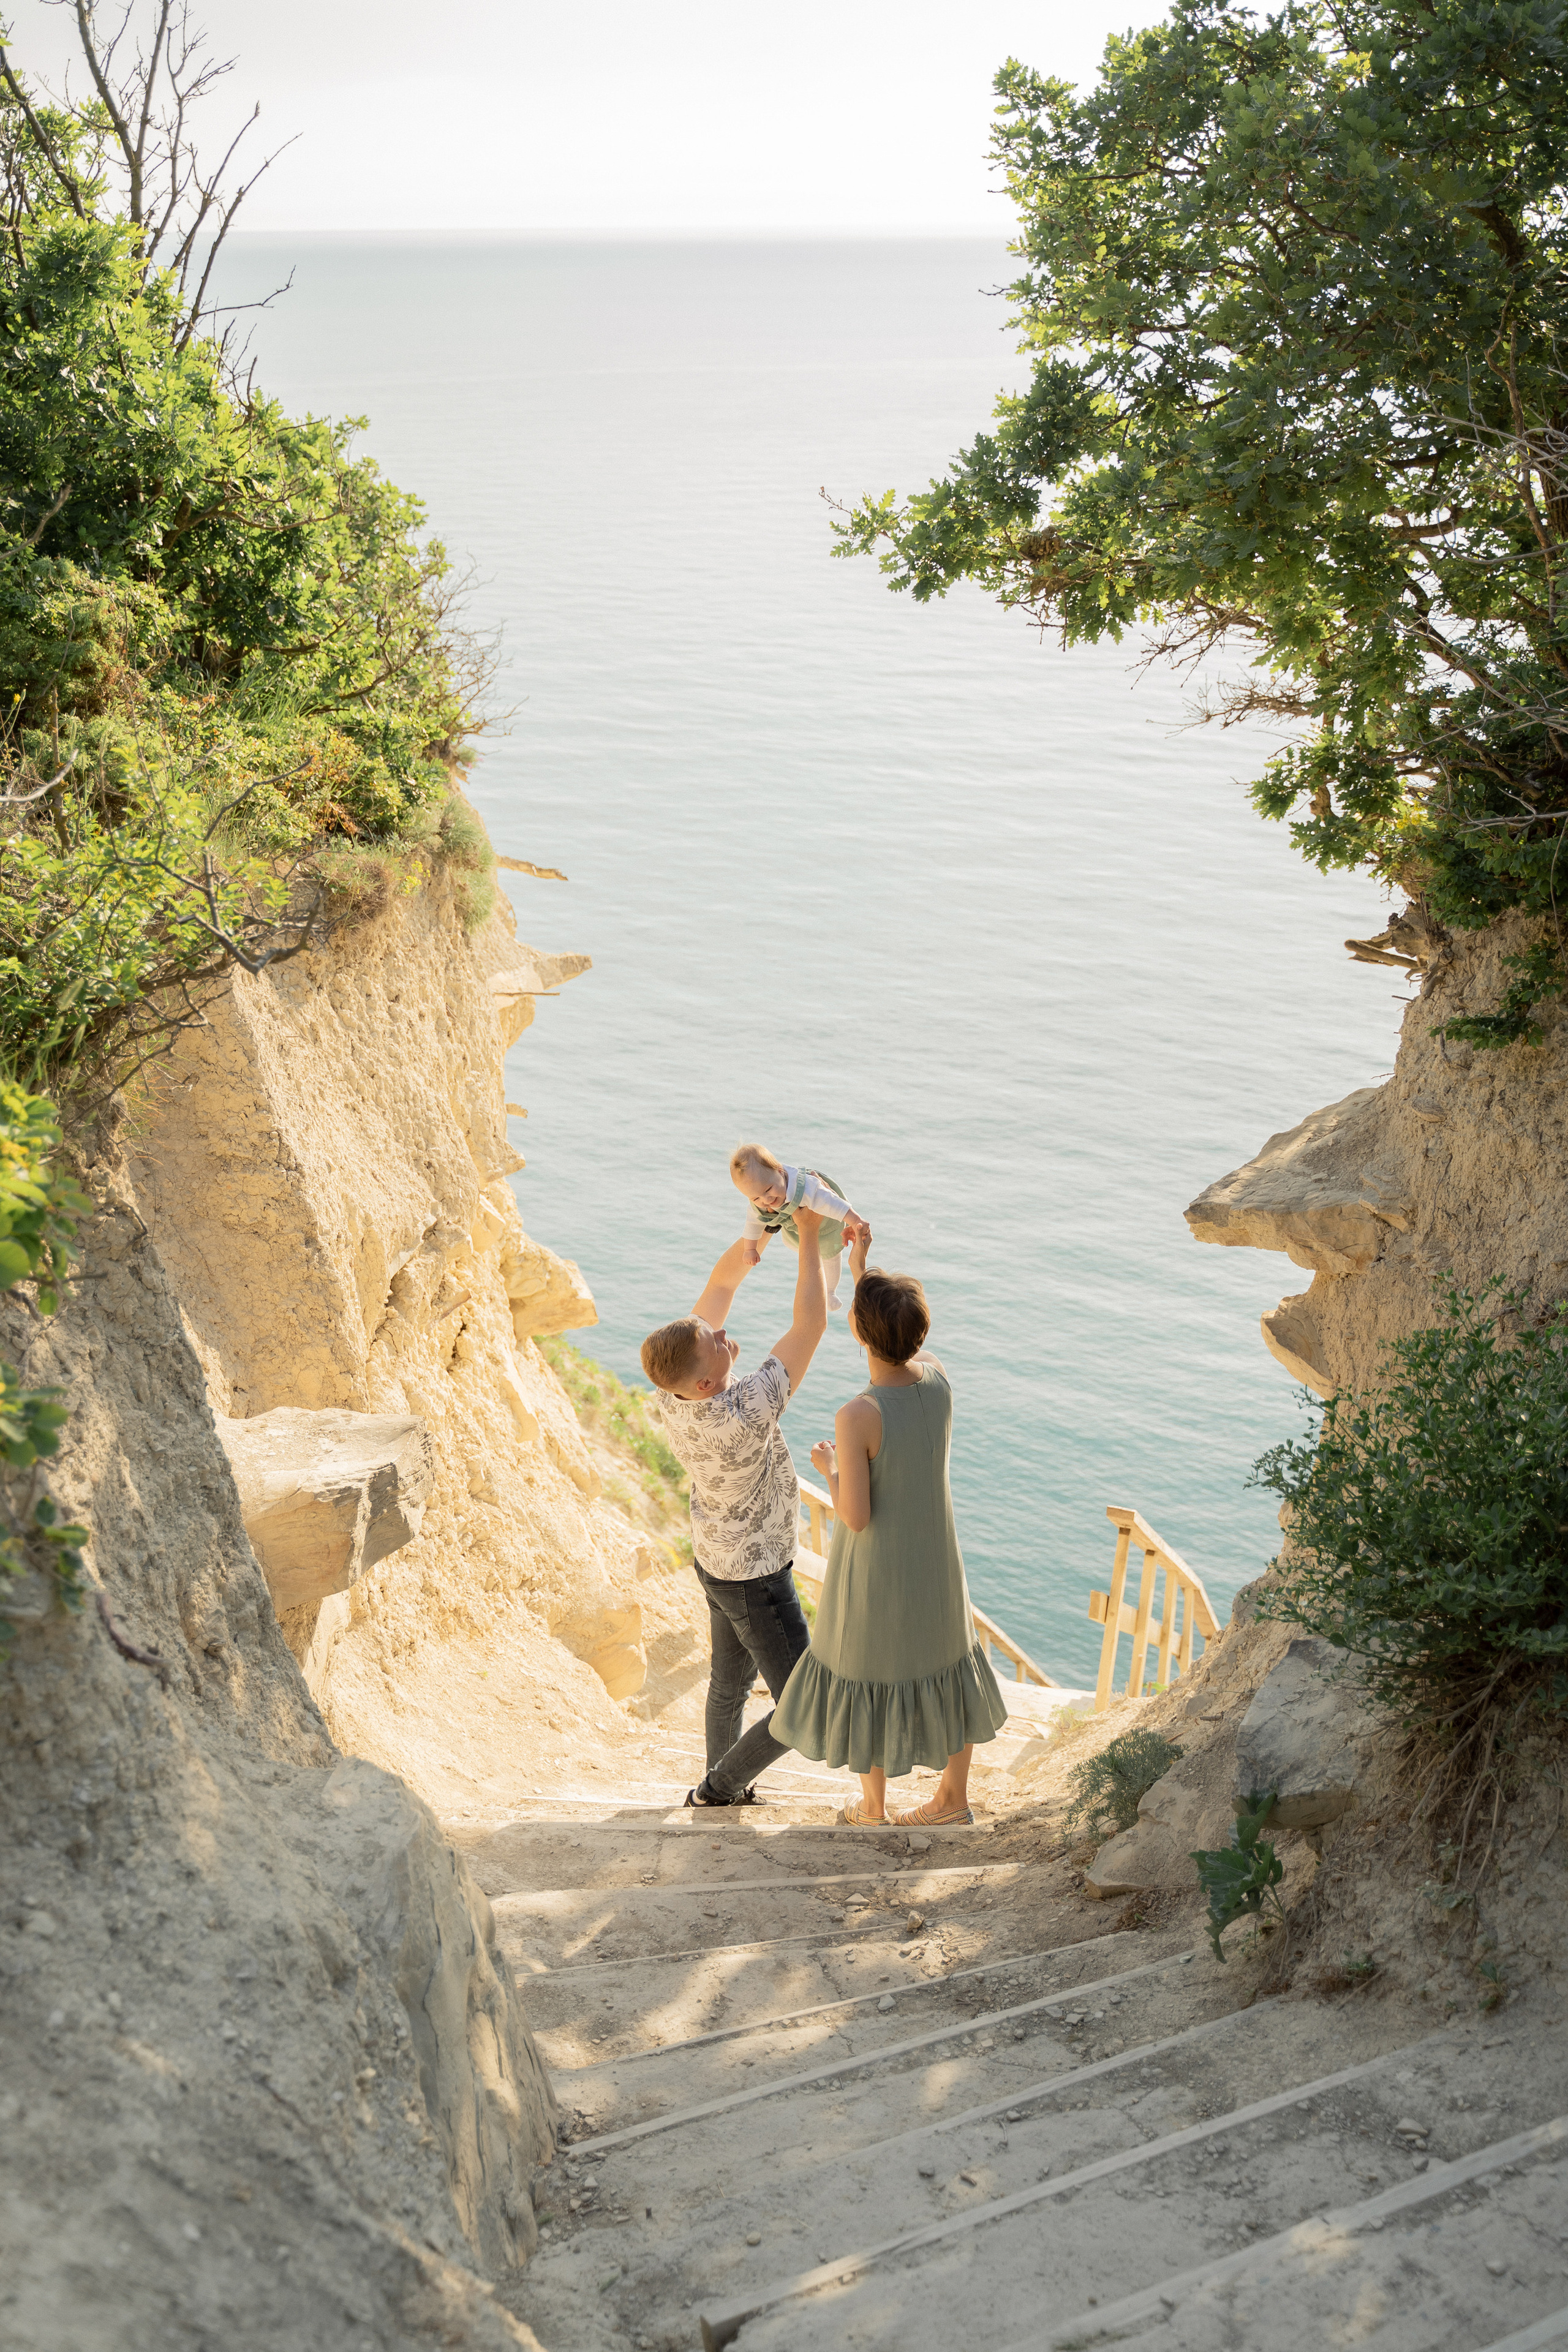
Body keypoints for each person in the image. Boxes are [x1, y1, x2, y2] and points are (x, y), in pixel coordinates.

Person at [641, 1208, 870, 1807]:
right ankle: (718, 1789)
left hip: (715, 1559)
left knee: (728, 1685)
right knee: (803, 1703)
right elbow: (811, 1323)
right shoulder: (744, 1410)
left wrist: (762, 1230)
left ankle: (725, 1786)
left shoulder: (672, 1394)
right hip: (757, 1578)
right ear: (705, 1384)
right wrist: (815, 1242)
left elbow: (719, 1290)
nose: (721, 1335)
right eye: (713, 1342)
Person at [770, 1262, 1006, 1826]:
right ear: (920, 1331)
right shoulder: (939, 1377)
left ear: (856, 1330)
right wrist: (861, 1269)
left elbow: (854, 1516)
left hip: (876, 1567)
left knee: (866, 1669)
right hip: (936, 1556)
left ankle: (873, 1808)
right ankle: (954, 1799)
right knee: (948, 1661)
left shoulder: (857, 1416)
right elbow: (899, 1336)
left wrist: (829, 1468)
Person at [729, 1142, 866, 1312]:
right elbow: (752, 1222)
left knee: (832, 1257)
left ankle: (830, 1291)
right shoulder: (760, 1201)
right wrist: (750, 1249)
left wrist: (855, 1221)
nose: (766, 1200)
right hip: (800, 1231)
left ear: (780, 1171)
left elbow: (832, 1203)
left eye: (769, 1189)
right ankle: (821, 1292)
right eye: (756, 1198)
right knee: (811, 1257)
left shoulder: (805, 1187)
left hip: (827, 1225)